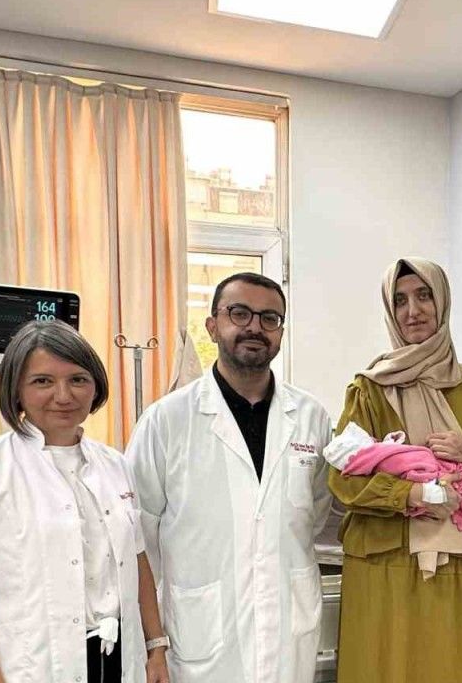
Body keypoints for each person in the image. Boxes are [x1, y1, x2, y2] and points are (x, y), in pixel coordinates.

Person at [0, 320, 169, 683]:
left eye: (78, 379)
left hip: (118, 659)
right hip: (28, 667)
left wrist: (156, 647)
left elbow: (137, 561)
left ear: (96, 386)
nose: (64, 395)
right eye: (42, 381)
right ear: (16, 390)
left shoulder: (115, 464)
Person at [126, 272, 333, 682]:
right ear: (212, 325)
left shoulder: (311, 417)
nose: (255, 327)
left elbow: (315, 513)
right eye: (240, 313)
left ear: (280, 333)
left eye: (270, 318)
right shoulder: (166, 420)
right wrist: (151, 643)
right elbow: (137, 538)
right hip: (200, 635)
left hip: (286, 631)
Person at [328, 257, 462, 682]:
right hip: (381, 563)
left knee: (449, 669)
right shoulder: (369, 389)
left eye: (423, 296)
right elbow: (342, 478)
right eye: (399, 300)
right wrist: (413, 495)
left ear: (443, 302)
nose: (412, 311)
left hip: (452, 564)